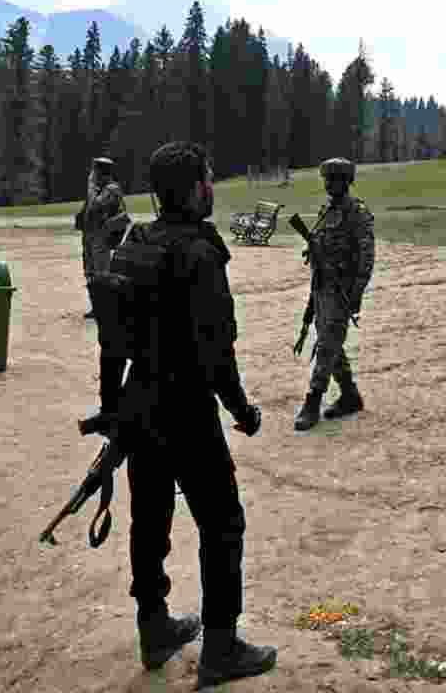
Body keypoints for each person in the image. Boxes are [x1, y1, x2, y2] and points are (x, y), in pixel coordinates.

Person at [119, 141, 277, 688]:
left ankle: (154, 626)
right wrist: (241, 409)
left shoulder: (135, 244)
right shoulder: (200, 253)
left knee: (150, 518)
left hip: (138, 403)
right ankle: (222, 645)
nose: (212, 187)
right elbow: (216, 350)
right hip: (185, 407)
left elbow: (113, 338)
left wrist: (113, 402)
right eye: (208, 179)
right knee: (222, 523)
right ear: (192, 189)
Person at [293, 158, 376, 432]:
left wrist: (356, 293)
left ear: (347, 181)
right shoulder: (326, 210)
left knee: (328, 342)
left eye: (335, 179)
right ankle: (350, 394)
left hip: (342, 289)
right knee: (331, 341)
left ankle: (313, 399)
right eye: (327, 179)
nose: (329, 184)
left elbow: (366, 257)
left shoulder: (357, 212)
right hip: (321, 286)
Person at [78, 157, 129, 319]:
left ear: (102, 173)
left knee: (102, 272)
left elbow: (96, 207)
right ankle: (96, 306)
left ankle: (106, 306)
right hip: (89, 236)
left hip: (101, 237)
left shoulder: (112, 189)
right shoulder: (97, 188)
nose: (92, 175)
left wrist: (91, 187)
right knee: (90, 271)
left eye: (95, 172)